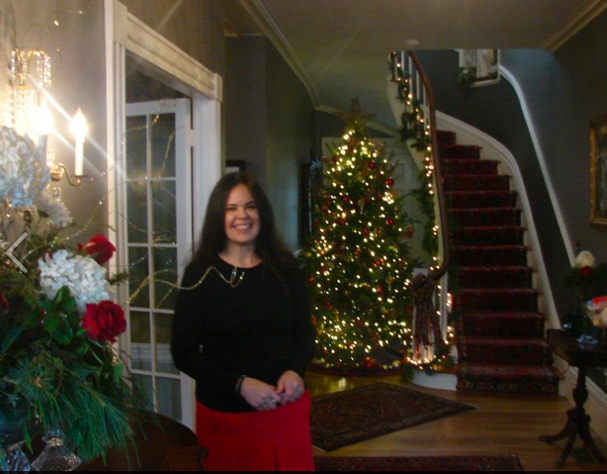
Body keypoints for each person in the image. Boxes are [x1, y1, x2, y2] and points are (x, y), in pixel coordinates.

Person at [171, 172, 317, 471]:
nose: (243, 215)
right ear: (218, 216)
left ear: (262, 212)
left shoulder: (287, 268)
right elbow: (183, 352)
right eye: (231, 208)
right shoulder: (200, 274)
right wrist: (240, 385)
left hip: (284, 414)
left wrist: (295, 371)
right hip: (226, 419)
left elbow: (304, 334)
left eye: (250, 206)